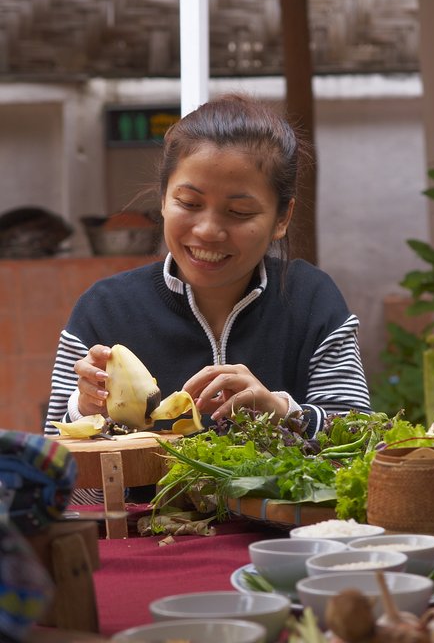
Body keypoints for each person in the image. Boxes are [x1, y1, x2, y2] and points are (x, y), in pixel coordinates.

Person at [44, 94, 371, 501]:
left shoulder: (313, 302)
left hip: (284, 538)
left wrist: (284, 413)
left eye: (239, 212)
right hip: (147, 541)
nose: (208, 231)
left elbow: (363, 451)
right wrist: (86, 413)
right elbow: (58, 491)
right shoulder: (103, 311)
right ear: (163, 199)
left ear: (282, 218)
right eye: (189, 203)